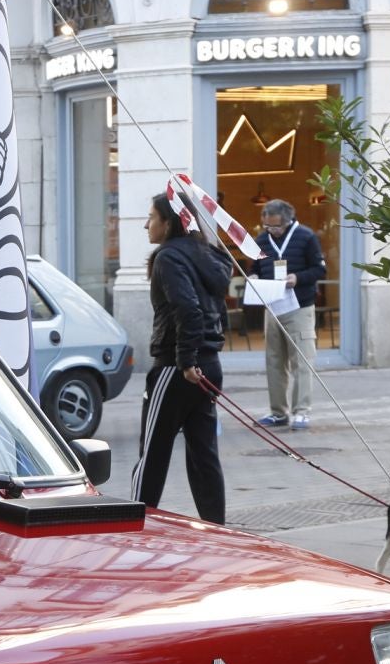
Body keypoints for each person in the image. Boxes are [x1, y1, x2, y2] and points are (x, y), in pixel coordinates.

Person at [131, 190, 230, 524]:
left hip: (177, 369)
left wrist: (187, 359)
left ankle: (135, 525)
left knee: (152, 455)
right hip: (208, 366)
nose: (146, 225)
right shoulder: (209, 255)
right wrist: (208, 352)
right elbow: (219, 309)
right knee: (204, 456)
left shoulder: (169, 257)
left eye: (151, 218)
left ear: (169, 222)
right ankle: (218, 530)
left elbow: (188, 308)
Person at [253, 198, 325, 431]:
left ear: (288, 221)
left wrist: (298, 278)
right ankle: (278, 412)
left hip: (299, 306)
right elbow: (255, 267)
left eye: (275, 227)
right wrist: (253, 277)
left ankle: (301, 411)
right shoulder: (261, 240)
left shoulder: (306, 236)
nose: (271, 231)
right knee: (274, 361)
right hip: (273, 306)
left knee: (302, 361)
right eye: (267, 226)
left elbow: (319, 269)